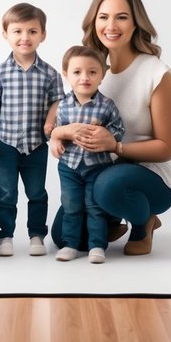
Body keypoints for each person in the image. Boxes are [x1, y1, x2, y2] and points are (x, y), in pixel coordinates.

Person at [50, 0, 171, 255]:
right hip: (96, 171)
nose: (111, 25)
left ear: (136, 24)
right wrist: (59, 134)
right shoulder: (91, 70)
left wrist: (116, 146)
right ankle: (106, 218)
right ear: (93, 22)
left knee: (107, 186)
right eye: (103, 17)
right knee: (63, 235)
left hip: (148, 177)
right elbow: (64, 115)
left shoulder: (156, 73)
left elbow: (167, 147)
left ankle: (145, 221)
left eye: (121, 17)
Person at [0, 3, 64, 257]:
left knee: (37, 192)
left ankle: (36, 235)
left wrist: (51, 124)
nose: (24, 38)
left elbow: (58, 102)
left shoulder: (50, 74)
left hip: (36, 144)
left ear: (43, 35)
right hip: (5, 144)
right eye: (17, 31)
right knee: (6, 193)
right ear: (6, 34)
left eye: (32, 31)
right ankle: (5, 236)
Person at [50, 46, 125, 264]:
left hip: (97, 166)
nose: (85, 77)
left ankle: (97, 246)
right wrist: (56, 140)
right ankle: (71, 244)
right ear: (66, 75)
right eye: (77, 72)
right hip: (69, 166)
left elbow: (119, 130)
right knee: (71, 205)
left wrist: (109, 136)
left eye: (92, 72)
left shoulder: (107, 106)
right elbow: (56, 129)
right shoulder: (62, 105)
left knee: (94, 207)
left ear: (102, 74)